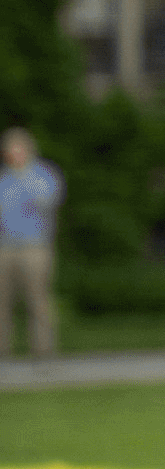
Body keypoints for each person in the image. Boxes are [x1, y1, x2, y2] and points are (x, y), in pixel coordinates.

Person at [0, 128, 64, 358]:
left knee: (38, 300)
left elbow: (48, 201)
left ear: (28, 150)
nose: (14, 154)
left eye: (18, 148)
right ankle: (3, 352)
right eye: (10, 149)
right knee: (2, 302)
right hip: (5, 247)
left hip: (34, 247)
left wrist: (24, 178)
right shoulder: (3, 180)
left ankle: (43, 351)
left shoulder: (43, 175)